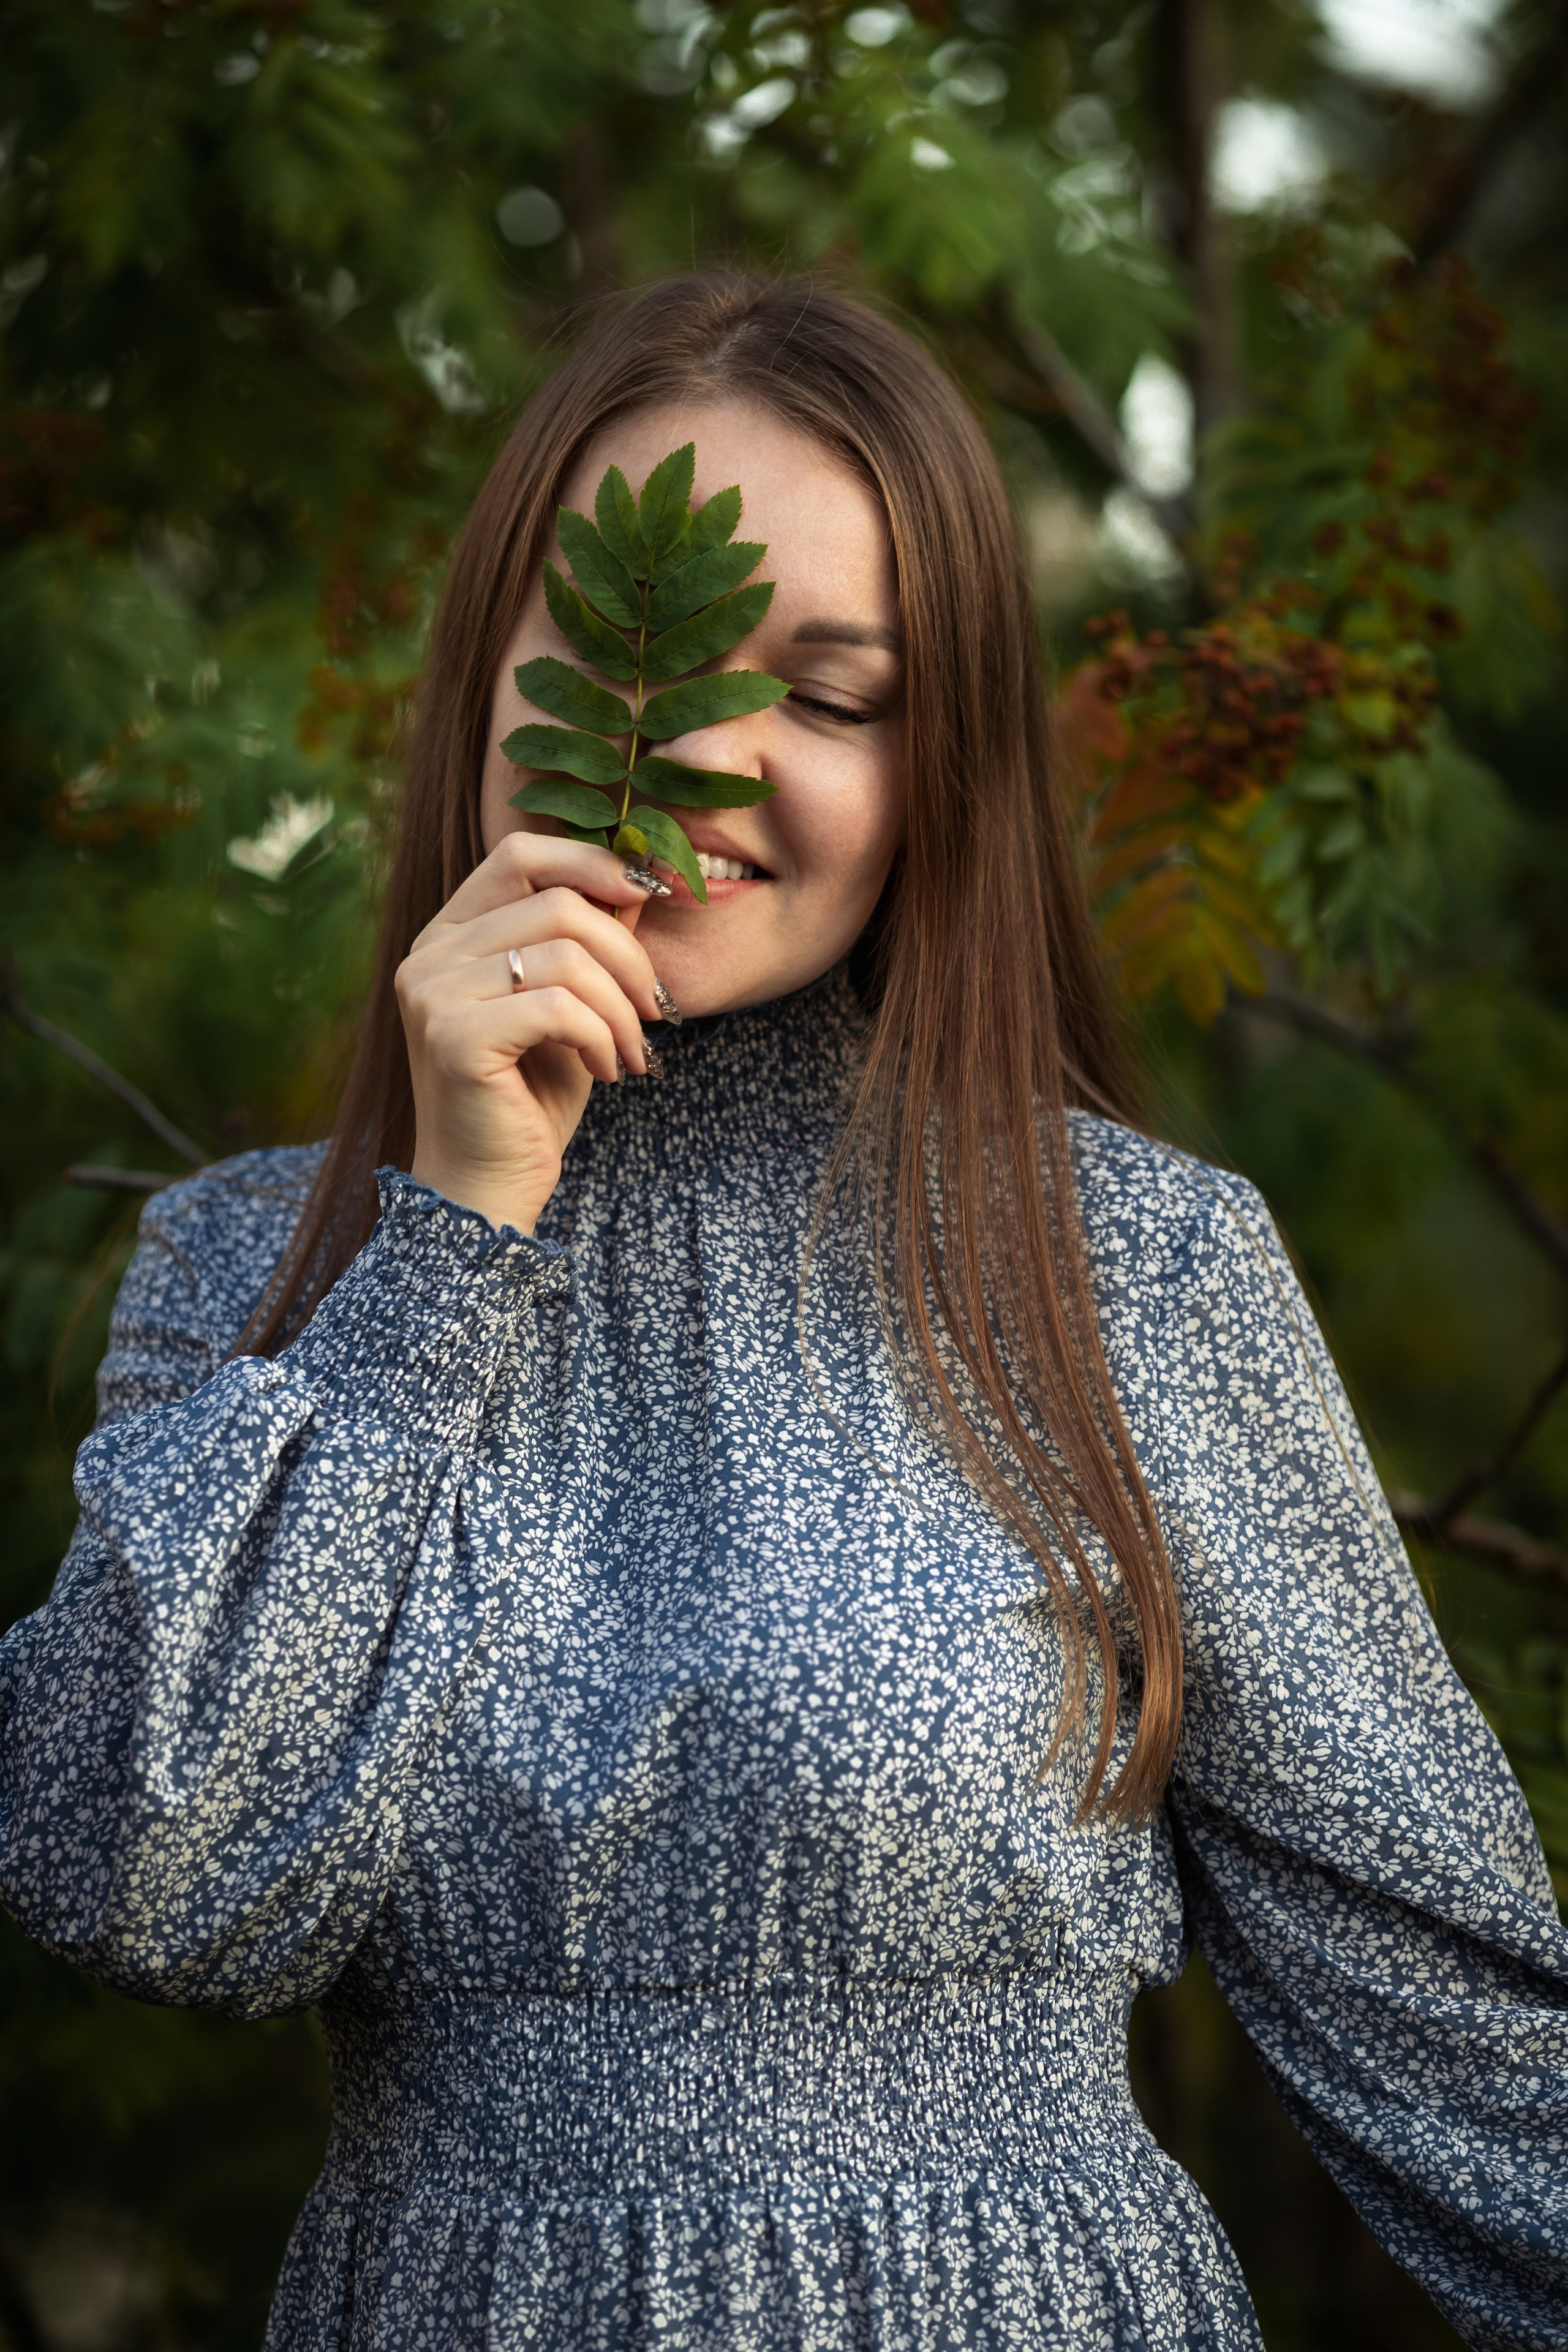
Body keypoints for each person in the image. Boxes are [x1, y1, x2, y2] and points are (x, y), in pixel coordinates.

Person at [1, 273, 1564, 2352]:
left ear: (943, 770)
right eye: (633, 664)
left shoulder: (1137, 1269)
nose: (712, 761)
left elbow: (1460, 2050)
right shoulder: (246, 1273)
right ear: (495, 677)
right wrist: (451, 1242)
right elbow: (146, 1890)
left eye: (835, 699)